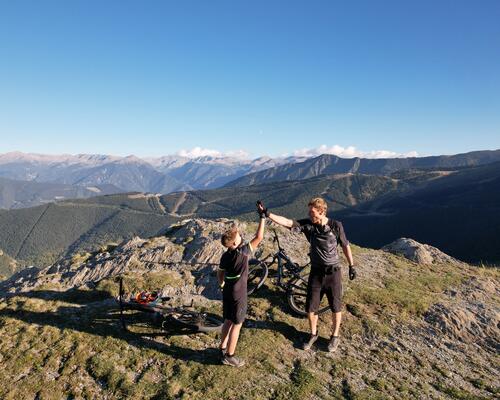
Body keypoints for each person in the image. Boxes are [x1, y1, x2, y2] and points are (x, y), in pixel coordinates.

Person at [257, 198, 356, 352]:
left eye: (313, 212)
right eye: (309, 212)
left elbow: (345, 245)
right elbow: (288, 222)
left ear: (322, 212)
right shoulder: (309, 225)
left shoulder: (336, 225)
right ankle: (313, 334)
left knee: (336, 307)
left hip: (333, 273)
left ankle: (334, 336)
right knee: (311, 308)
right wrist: (267, 213)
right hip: (316, 273)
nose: (310, 215)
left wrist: (351, 266)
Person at [217, 214, 266, 367]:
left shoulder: (225, 256)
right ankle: (229, 356)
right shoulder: (243, 253)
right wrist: (262, 218)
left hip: (228, 291)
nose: (240, 237)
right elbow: (259, 237)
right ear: (233, 243)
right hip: (239, 293)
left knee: (228, 320)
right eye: (238, 236)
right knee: (237, 324)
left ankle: (222, 347)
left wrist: (222, 284)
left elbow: (220, 273)